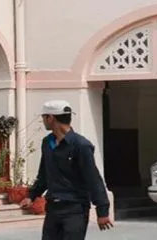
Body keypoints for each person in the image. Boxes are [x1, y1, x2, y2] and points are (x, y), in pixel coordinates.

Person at [21, 100, 113, 239]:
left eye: (44, 117)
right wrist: (31, 196)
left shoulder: (81, 145)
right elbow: (43, 174)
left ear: (51, 118)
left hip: (75, 209)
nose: (43, 120)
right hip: (53, 209)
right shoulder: (47, 143)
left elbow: (93, 179)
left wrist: (102, 211)